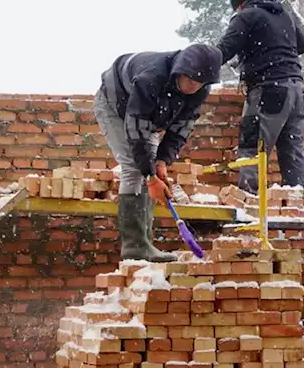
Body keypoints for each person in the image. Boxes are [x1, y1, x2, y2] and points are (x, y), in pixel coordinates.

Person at [94, 45, 222, 263]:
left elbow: (181, 128)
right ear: (180, 71)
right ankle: (134, 246)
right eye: (190, 80)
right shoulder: (151, 77)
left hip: (147, 114)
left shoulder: (199, 89)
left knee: (149, 167)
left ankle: (145, 243)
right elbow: (137, 130)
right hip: (115, 105)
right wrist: (151, 177)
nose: (194, 86)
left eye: (200, 83)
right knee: (135, 168)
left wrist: (161, 162)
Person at [216, 0, 304, 195]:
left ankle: (249, 204)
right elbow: (301, 46)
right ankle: (295, 205)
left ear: (239, 4)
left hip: (269, 90)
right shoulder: (283, 13)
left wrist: (199, 65)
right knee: (292, 152)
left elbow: (225, 49)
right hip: (296, 90)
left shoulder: (246, 15)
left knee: (252, 148)